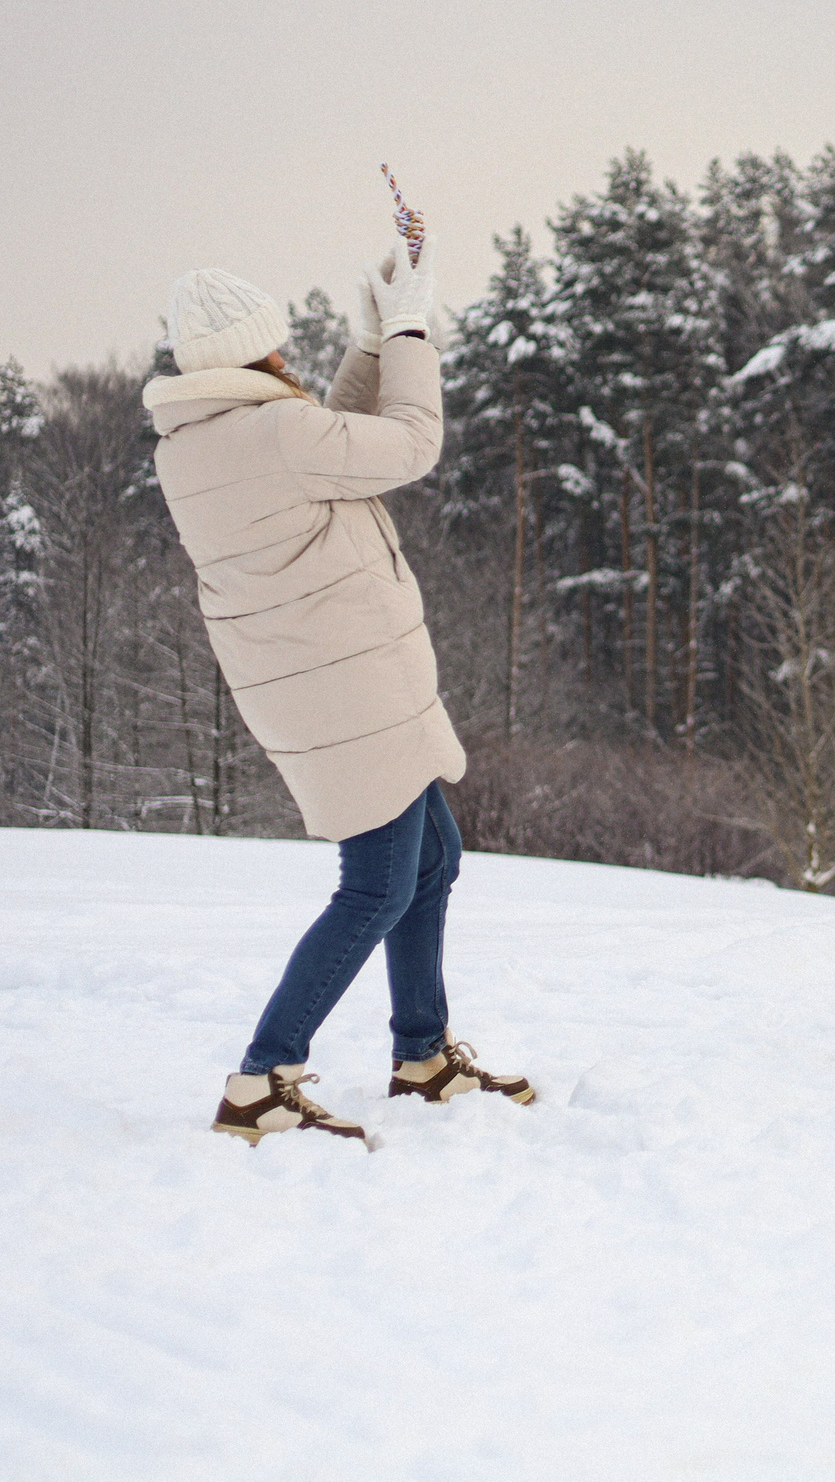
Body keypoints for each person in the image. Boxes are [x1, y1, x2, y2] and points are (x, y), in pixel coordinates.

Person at [145, 246, 532, 1146]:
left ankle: (424, 1055)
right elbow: (408, 443)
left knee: (430, 859)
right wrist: (405, 333)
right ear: (255, 352)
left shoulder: (205, 440)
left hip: (322, 689)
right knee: (380, 884)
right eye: (277, 349)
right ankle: (261, 1079)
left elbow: (330, 443)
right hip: (350, 690)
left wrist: (366, 347)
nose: (288, 361)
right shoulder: (273, 433)